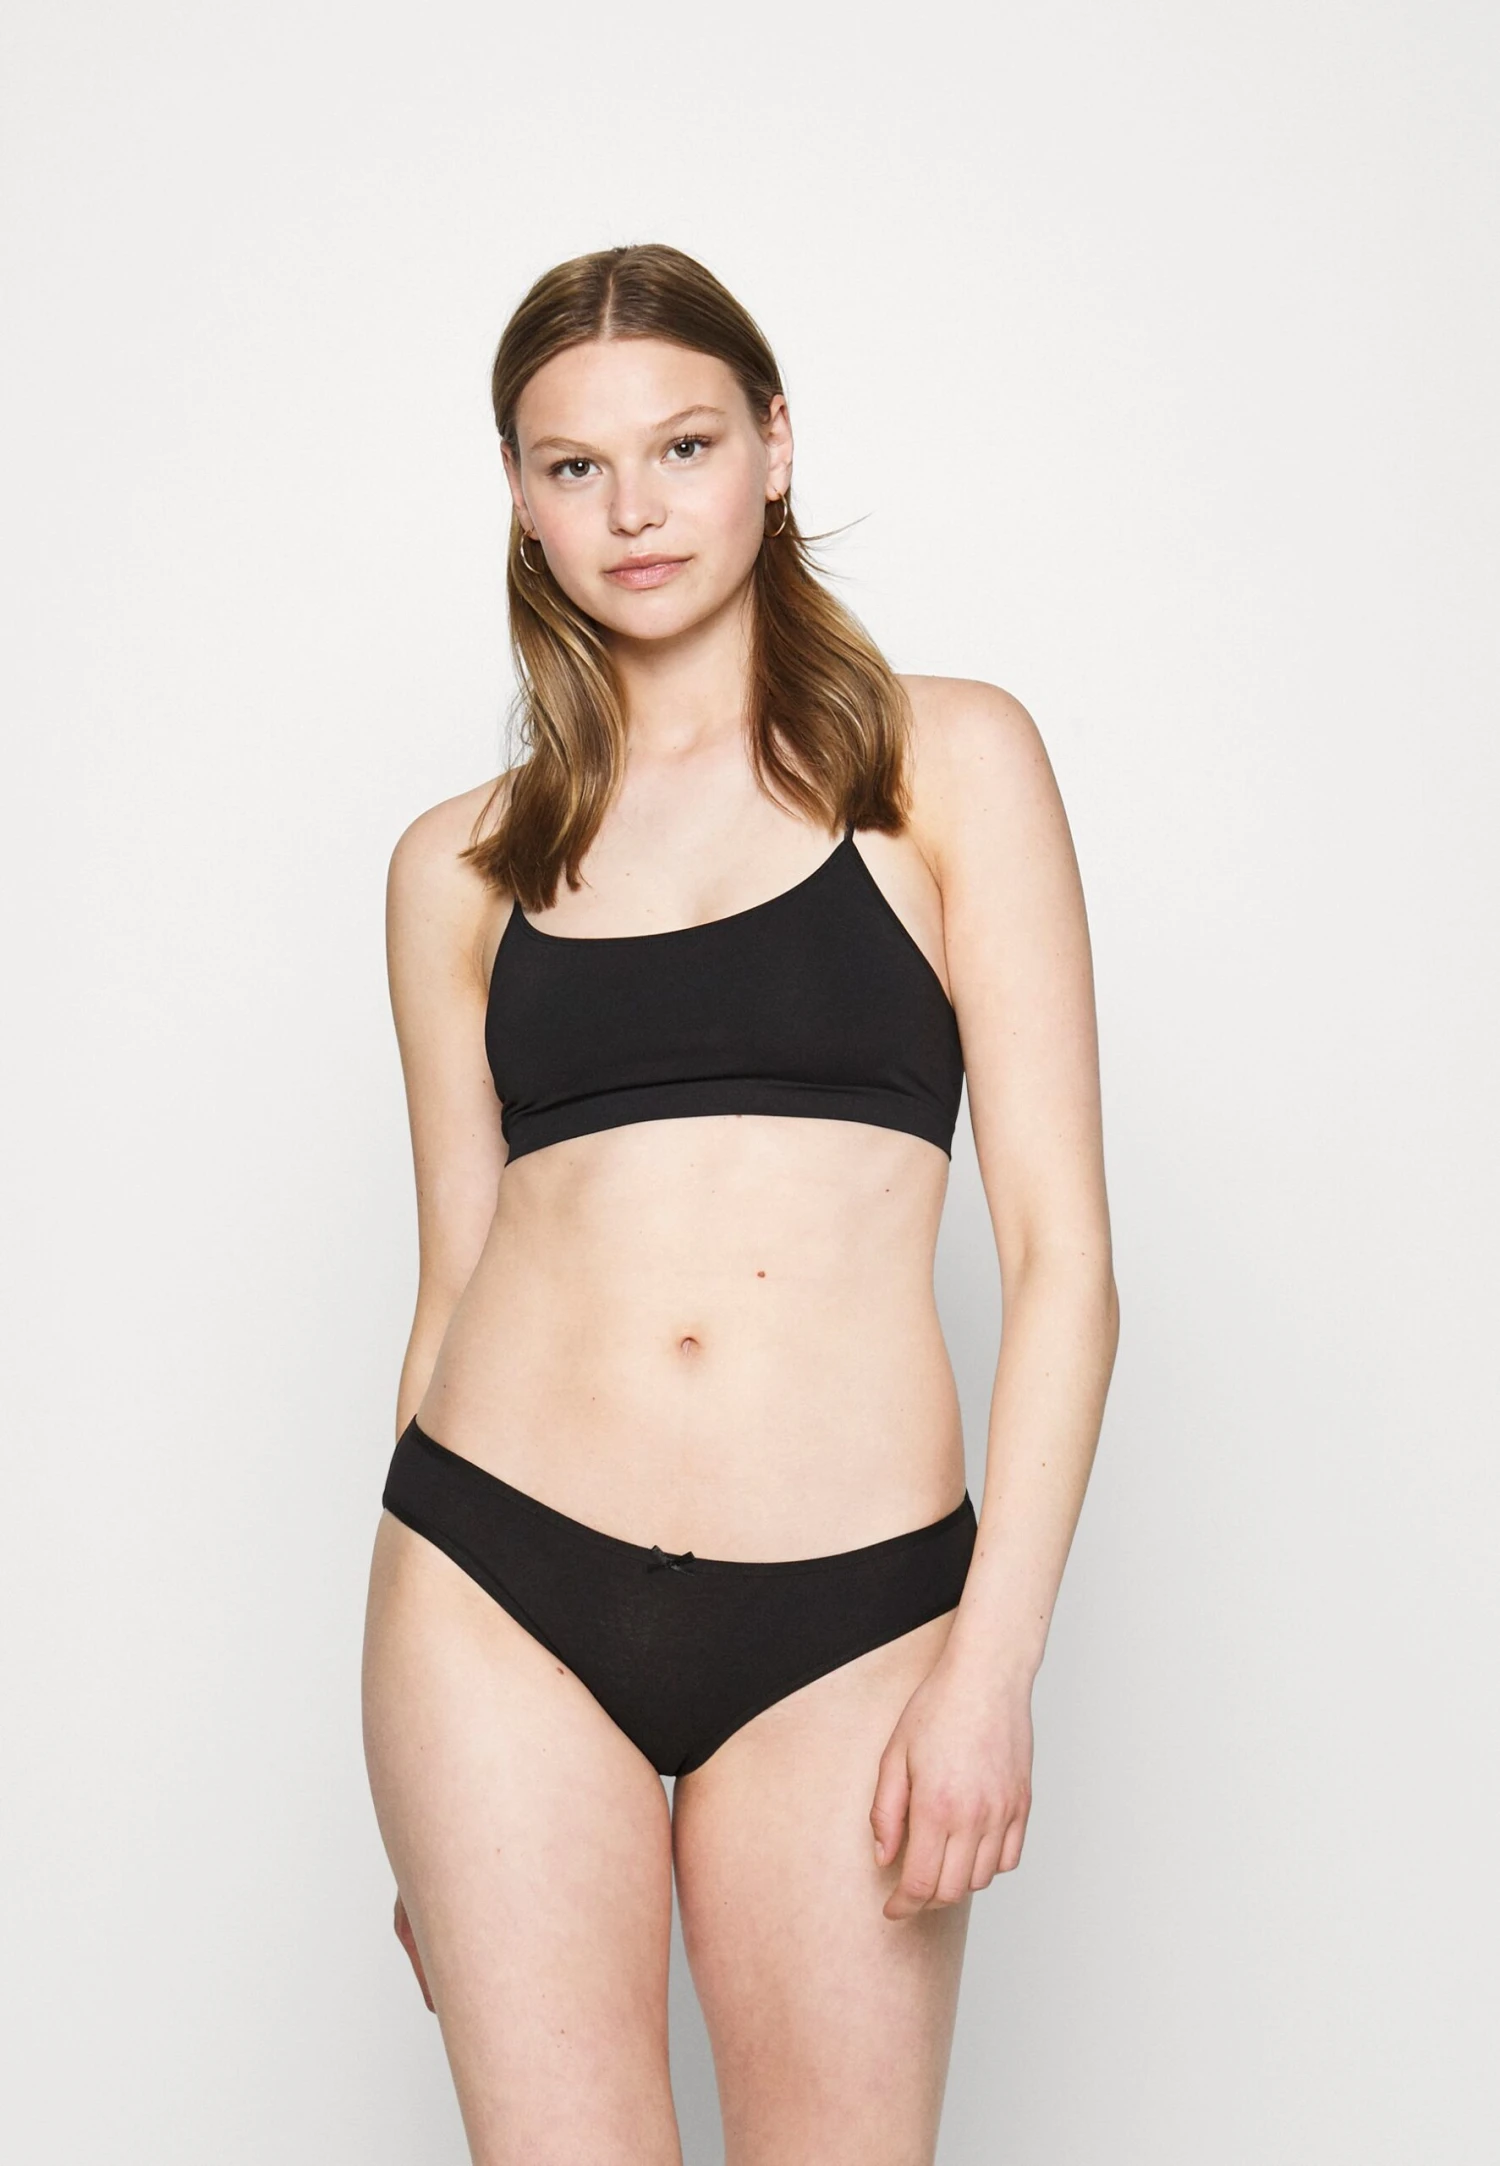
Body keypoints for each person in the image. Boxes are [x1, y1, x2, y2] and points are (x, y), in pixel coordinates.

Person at [361, 241, 1119, 2166]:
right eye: (576, 465)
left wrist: (993, 1664)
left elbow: (1065, 1263)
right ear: (520, 497)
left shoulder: (948, 764)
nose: (635, 508)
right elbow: (455, 1281)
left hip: (851, 1611)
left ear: (776, 447)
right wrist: (431, 1810)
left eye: (683, 445)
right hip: (494, 1595)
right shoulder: (458, 867)